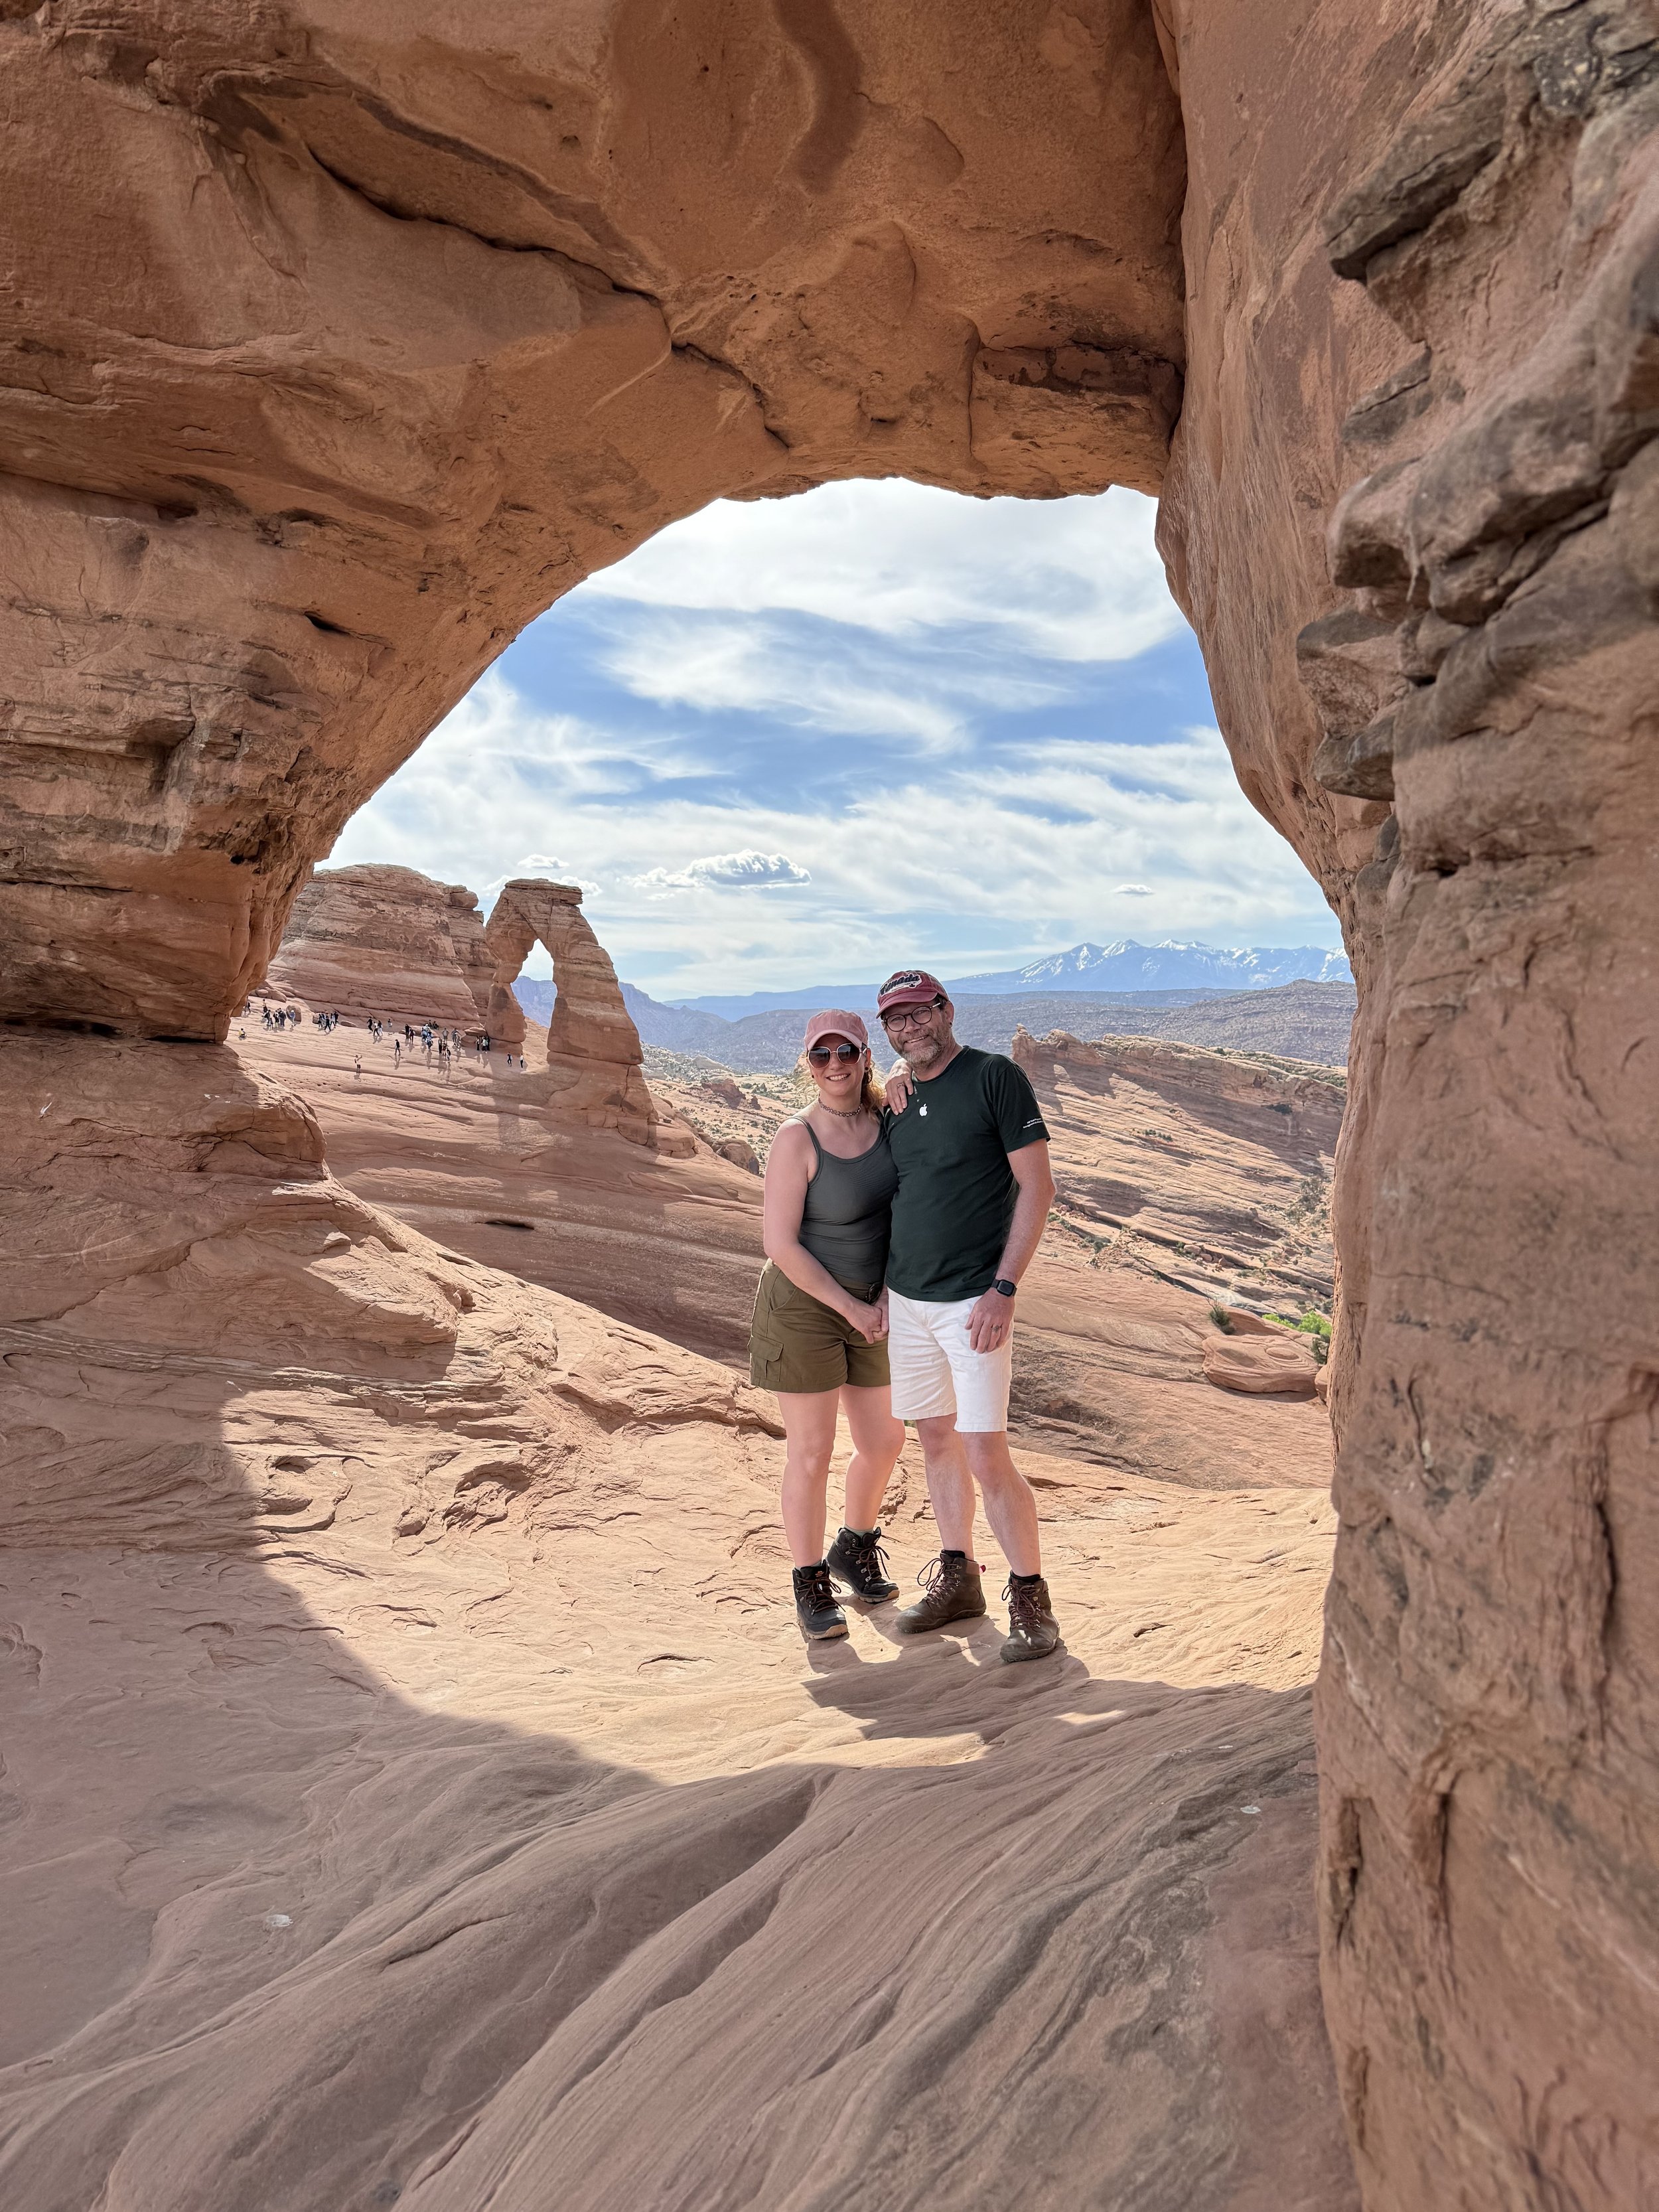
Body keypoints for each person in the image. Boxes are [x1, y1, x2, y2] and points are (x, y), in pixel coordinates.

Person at [877, 968, 1062, 1663]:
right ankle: (959, 1579)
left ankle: (1031, 1597)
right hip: (908, 1300)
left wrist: (1003, 1288)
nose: (910, 1027)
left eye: (920, 1012)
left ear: (946, 1010)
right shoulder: (897, 1096)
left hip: (973, 1302)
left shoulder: (994, 1078)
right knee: (935, 1438)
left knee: (985, 1451)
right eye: (896, 1020)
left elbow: (1037, 1187)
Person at [751, 1010, 906, 1643]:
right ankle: (810, 1579)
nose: (835, 1064)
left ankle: (853, 1545)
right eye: (822, 1055)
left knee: (884, 1440)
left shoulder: (888, 1121)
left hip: (873, 1302)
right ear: (808, 1064)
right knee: (812, 1451)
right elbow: (780, 1244)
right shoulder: (797, 1138)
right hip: (806, 1306)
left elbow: (907, 1215)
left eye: (846, 1052)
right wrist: (853, 1308)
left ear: (866, 1055)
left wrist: (885, 1295)